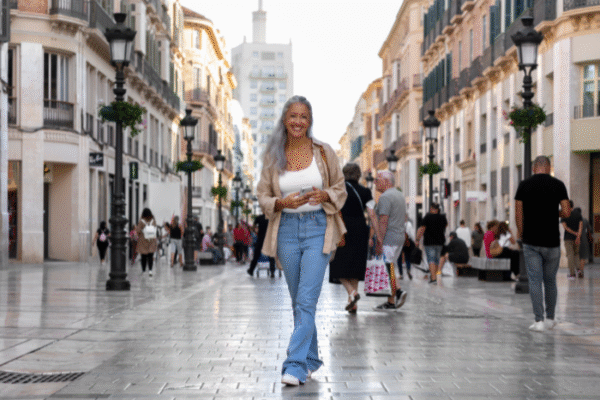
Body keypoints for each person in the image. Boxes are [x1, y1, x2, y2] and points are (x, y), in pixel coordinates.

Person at [256, 96, 346, 386]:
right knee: (299, 301)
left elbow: (340, 189)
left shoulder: (324, 152)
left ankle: (294, 365)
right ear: (285, 119)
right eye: (293, 116)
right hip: (286, 232)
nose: (298, 121)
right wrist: (282, 203)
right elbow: (263, 196)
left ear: (310, 121)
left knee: (307, 300)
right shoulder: (273, 157)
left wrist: (325, 195)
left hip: (319, 228)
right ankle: (311, 359)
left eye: (304, 117)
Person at [515, 155, 571, 332]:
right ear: (548, 167)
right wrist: (555, 214)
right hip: (552, 241)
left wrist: (523, 233)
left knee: (534, 280)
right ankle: (551, 318)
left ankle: (538, 320)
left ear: (534, 168)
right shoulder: (558, 185)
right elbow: (567, 212)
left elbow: (518, 213)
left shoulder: (524, 185)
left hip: (531, 241)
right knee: (550, 281)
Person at [328, 163, 373, 314]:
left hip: (342, 229)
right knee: (355, 266)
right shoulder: (366, 191)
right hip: (361, 229)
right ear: (359, 175)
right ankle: (352, 303)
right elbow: (372, 214)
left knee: (337, 266)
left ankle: (352, 294)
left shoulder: (338, 190)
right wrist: (376, 234)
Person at [367, 170, 408, 310]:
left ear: (387, 181)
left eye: (378, 179)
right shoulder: (399, 195)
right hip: (399, 237)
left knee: (387, 266)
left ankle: (399, 291)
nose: (375, 182)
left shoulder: (385, 197)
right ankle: (390, 302)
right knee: (391, 266)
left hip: (389, 238)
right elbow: (405, 218)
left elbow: (383, 221)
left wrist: (379, 241)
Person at [415, 203, 448, 284]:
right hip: (440, 242)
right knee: (436, 260)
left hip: (429, 242)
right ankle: (434, 277)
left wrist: (417, 239)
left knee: (431, 259)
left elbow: (422, 229)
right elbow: (446, 226)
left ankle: (433, 279)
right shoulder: (442, 217)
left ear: (431, 208)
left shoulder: (427, 217)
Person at [246, 213, 276, 277]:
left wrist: (256, 231)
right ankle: (272, 272)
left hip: (261, 239)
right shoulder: (271, 217)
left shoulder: (259, 217)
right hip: (269, 239)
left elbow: (253, 227)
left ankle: (251, 270)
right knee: (271, 256)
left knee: (256, 255)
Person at [561, 201, 582, 280]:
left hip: (568, 238)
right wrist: (578, 236)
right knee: (576, 254)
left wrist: (574, 233)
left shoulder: (564, 214)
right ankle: (579, 270)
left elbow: (565, 227)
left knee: (570, 256)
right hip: (576, 239)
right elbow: (580, 226)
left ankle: (572, 274)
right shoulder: (578, 214)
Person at [135, 208, 158, 276]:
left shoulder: (141, 221)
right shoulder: (153, 221)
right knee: (150, 256)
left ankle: (144, 270)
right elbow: (155, 229)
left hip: (143, 241)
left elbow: (138, 231)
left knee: (143, 257)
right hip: (151, 240)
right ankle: (150, 270)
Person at [579, 211, 592, 278]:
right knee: (582, 257)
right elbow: (589, 230)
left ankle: (578, 271)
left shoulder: (573, 220)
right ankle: (581, 271)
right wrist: (590, 238)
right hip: (583, 239)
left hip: (575, 238)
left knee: (576, 256)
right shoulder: (585, 220)